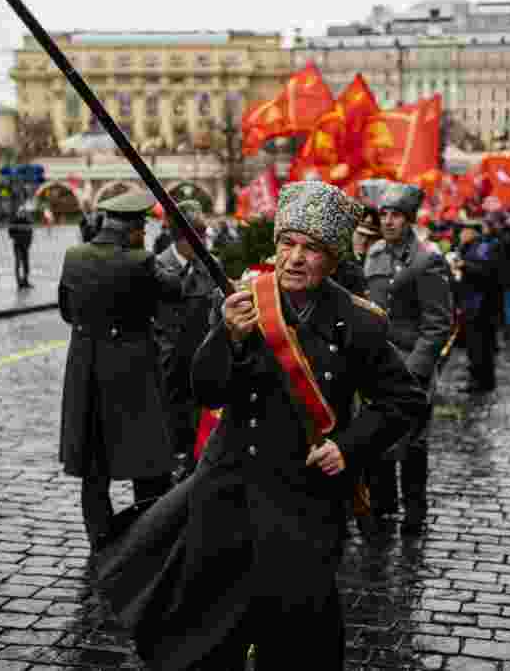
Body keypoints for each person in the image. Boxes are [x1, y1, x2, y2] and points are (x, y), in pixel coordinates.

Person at [135, 180, 428, 669]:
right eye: (287, 243)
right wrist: (225, 336)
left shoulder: (359, 323)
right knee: (213, 634)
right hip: (229, 492)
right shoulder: (244, 302)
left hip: (305, 501)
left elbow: (403, 400)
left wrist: (349, 447)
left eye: (310, 248)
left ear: (333, 258)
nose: (294, 258)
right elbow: (206, 390)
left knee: (300, 639)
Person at [58, 190, 185, 550]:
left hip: (86, 365)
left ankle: (99, 536)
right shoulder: (141, 260)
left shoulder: (73, 256)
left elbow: (67, 311)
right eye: (141, 228)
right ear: (132, 229)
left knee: (93, 459)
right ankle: (148, 535)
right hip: (133, 367)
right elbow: (174, 290)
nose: (143, 234)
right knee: (147, 455)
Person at [362, 179, 453, 535]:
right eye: (383, 214)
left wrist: (414, 370)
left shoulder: (427, 259)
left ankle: (414, 510)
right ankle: (383, 505)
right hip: (379, 365)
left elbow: (437, 324)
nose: (388, 221)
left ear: (409, 219)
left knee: (413, 442)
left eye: (396, 215)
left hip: (413, 365)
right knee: (380, 437)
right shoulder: (374, 255)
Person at [153, 200, 216, 482]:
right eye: (197, 238)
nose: (203, 244)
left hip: (200, 359)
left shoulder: (210, 266)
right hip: (168, 363)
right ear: (181, 239)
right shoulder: (156, 266)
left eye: (203, 237)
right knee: (170, 428)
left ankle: (193, 477)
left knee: (197, 429)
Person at [452, 219, 501, 392]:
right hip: (472, 303)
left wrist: (465, 265)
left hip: (480, 305)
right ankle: (483, 380)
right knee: (477, 346)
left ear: (472, 233)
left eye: (463, 231)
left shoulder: (481, 247)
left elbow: (486, 272)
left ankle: (480, 381)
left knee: (479, 346)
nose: (460, 235)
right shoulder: (468, 247)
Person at [8, 205, 35, 289]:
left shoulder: (28, 221)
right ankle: (19, 282)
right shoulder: (14, 221)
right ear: (18, 213)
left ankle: (25, 280)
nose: (22, 214)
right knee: (18, 263)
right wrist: (17, 237)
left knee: (26, 264)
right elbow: (10, 232)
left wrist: (28, 243)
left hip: (25, 246)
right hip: (17, 246)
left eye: (23, 212)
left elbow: (30, 233)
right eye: (20, 212)